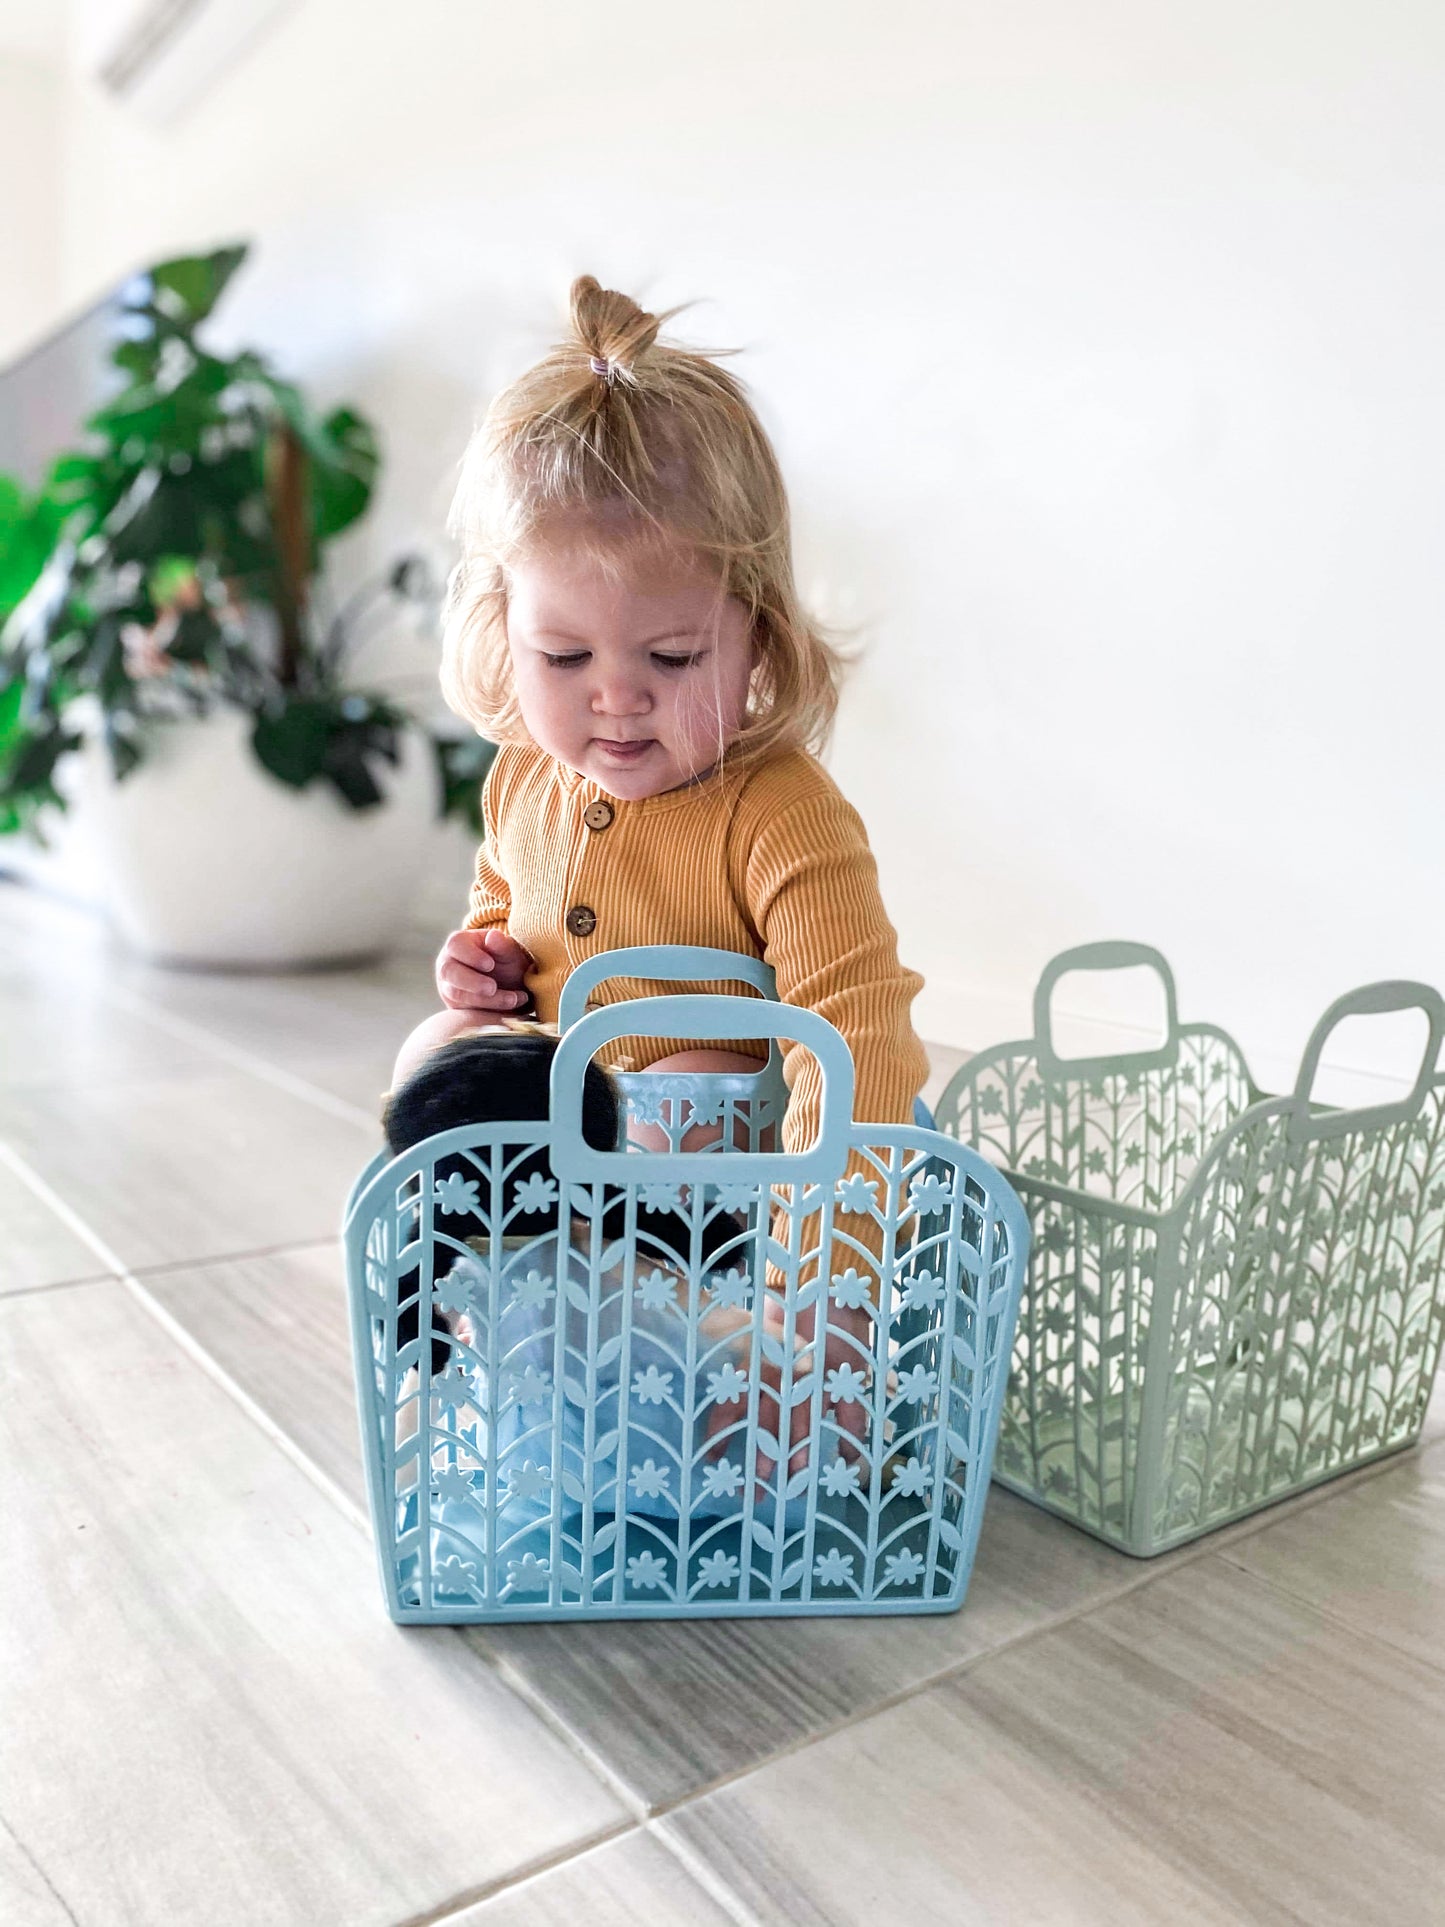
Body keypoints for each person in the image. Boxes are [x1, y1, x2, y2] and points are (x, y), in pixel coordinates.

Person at [392, 273, 929, 1480]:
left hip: (718, 1219)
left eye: (670, 653)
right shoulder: (523, 778)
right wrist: (478, 968)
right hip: (566, 1207)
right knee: (435, 1052)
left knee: (679, 1074)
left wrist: (828, 1295)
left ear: (754, 634)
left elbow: (858, 1044)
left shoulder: (778, 810)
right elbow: (512, 924)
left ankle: (708, 1370)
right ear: (499, 627)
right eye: (564, 652)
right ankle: (502, 1327)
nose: (615, 694)